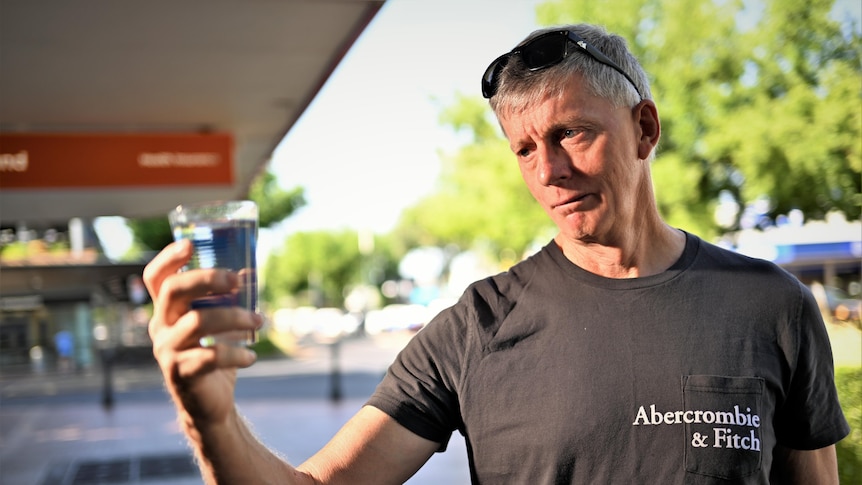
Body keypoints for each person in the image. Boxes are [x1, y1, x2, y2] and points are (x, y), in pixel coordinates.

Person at [143, 23, 849, 484]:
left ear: (644, 126)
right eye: (523, 149)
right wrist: (211, 416)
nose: (548, 171)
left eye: (571, 133)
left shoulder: (772, 305)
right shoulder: (477, 324)